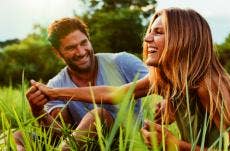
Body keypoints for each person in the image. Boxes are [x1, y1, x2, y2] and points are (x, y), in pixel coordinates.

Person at [32, 8, 230, 150]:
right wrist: (54, 93)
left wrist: (174, 145)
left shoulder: (208, 85)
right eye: (150, 30)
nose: (147, 37)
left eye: (158, 32)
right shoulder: (169, 80)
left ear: (184, 39)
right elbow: (115, 94)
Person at [13, 17, 148, 150]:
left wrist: (168, 104)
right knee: (17, 136)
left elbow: (159, 81)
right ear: (57, 52)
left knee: (98, 116)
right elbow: (60, 135)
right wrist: (37, 111)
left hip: (125, 142)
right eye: (71, 48)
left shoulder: (122, 62)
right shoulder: (55, 84)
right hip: (83, 146)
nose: (81, 52)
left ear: (89, 39)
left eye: (83, 43)